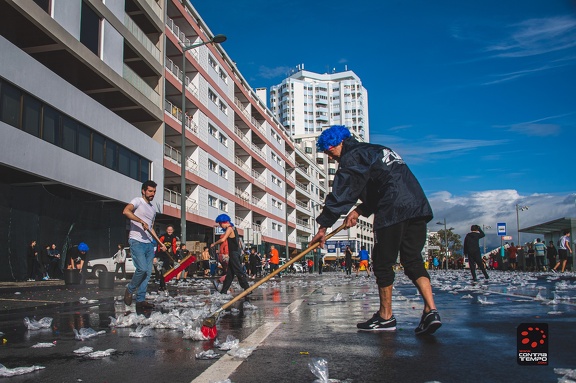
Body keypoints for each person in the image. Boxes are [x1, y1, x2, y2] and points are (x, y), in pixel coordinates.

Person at [310, 125, 441, 335]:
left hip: (393, 209)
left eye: (329, 149)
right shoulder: (376, 150)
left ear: (339, 142)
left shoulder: (352, 156)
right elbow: (384, 184)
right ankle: (430, 310)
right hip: (417, 206)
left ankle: (385, 317)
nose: (329, 155)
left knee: (382, 262)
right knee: (412, 259)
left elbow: (342, 193)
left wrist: (323, 226)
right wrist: (360, 211)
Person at [122, 180, 166, 310]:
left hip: (148, 243)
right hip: (136, 241)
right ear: (144, 191)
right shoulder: (137, 201)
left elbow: (151, 228)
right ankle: (130, 289)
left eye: (154, 192)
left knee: (147, 273)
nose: (152, 194)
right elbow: (126, 211)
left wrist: (160, 243)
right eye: (150, 191)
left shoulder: (152, 208)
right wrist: (140, 221)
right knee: (141, 269)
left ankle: (140, 300)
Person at [210, 214, 250, 295]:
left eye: (220, 224)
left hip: (234, 253)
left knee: (239, 271)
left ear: (223, 222)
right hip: (234, 253)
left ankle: (247, 288)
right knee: (230, 274)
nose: (221, 227)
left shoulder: (229, 228)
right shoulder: (234, 228)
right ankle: (224, 291)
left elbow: (223, 239)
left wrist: (214, 244)